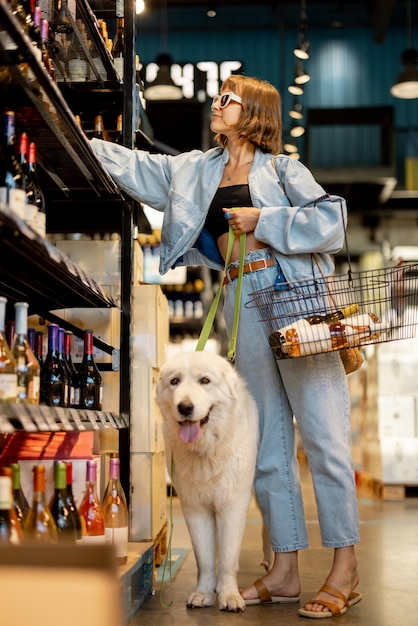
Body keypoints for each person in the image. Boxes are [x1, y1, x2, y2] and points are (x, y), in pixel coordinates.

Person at [90, 73, 361, 619]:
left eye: (227, 98)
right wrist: (81, 139)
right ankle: (284, 571)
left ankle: (344, 571)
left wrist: (266, 218)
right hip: (239, 299)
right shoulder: (195, 168)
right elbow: (138, 167)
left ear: (254, 110)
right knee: (264, 447)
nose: (216, 103)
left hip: (294, 297)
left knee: (325, 437)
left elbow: (332, 221)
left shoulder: (284, 169)